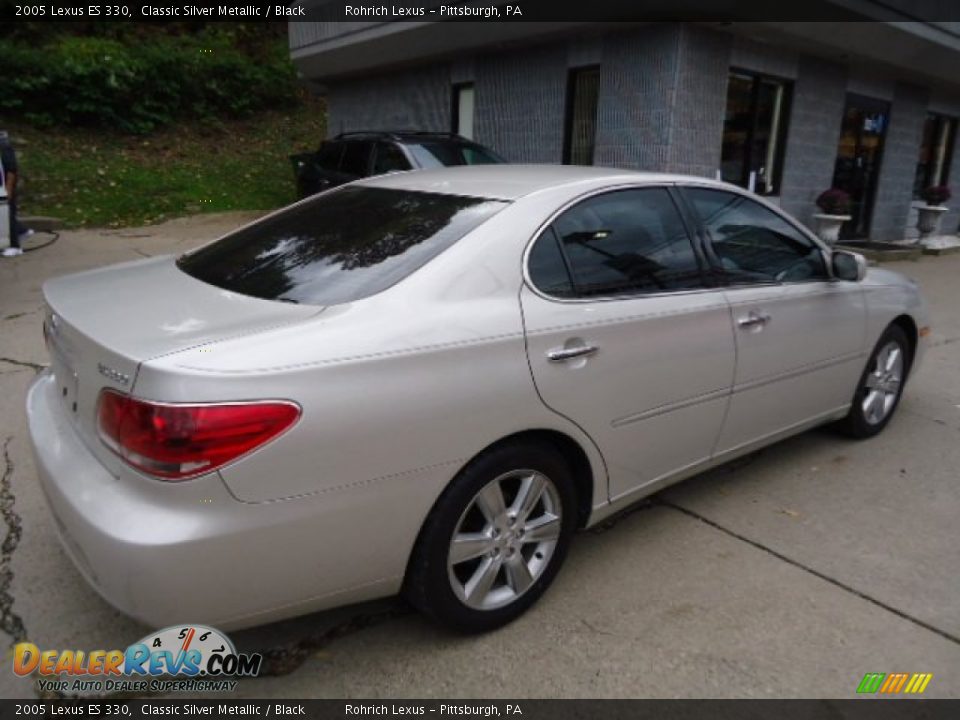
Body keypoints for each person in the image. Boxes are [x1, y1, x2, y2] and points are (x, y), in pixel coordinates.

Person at [1, 131, 32, 258]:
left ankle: (15, 247)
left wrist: (8, 190)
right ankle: (22, 231)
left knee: (7, 215)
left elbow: (11, 171)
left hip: (5, 187)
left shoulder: (4, 148)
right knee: (6, 214)